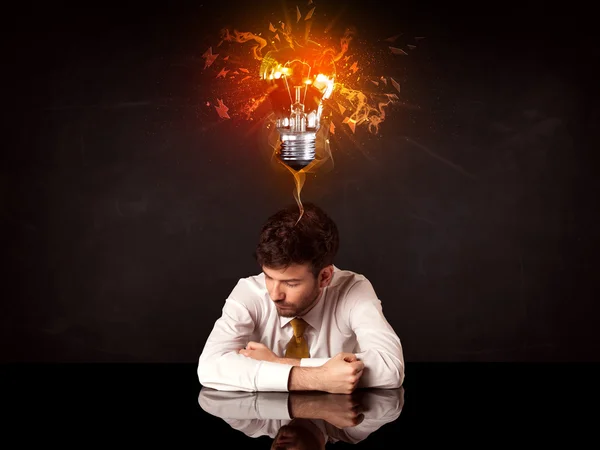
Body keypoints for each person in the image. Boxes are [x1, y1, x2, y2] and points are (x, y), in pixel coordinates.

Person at [197, 202, 404, 393]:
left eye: (291, 283)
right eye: (268, 277)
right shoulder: (249, 292)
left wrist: (278, 363)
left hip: (337, 426)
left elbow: (390, 367)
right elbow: (209, 366)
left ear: (324, 277)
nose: (275, 294)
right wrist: (319, 378)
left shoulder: (353, 290)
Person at [198, 386, 405, 447]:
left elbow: (210, 401)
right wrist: (325, 376)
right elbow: (392, 407)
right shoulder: (352, 429)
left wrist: (274, 363)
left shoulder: (254, 424)